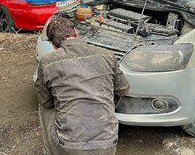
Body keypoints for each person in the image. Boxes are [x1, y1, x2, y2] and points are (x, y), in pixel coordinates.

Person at [35, 18, 130, 155]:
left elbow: (45, 101)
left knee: (43, 106)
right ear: (76, 32)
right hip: (107, 143)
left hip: (69, 146)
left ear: (53, 45)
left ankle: (50, 151)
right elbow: (123, 89)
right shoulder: (107, 55)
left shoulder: (47, 62)